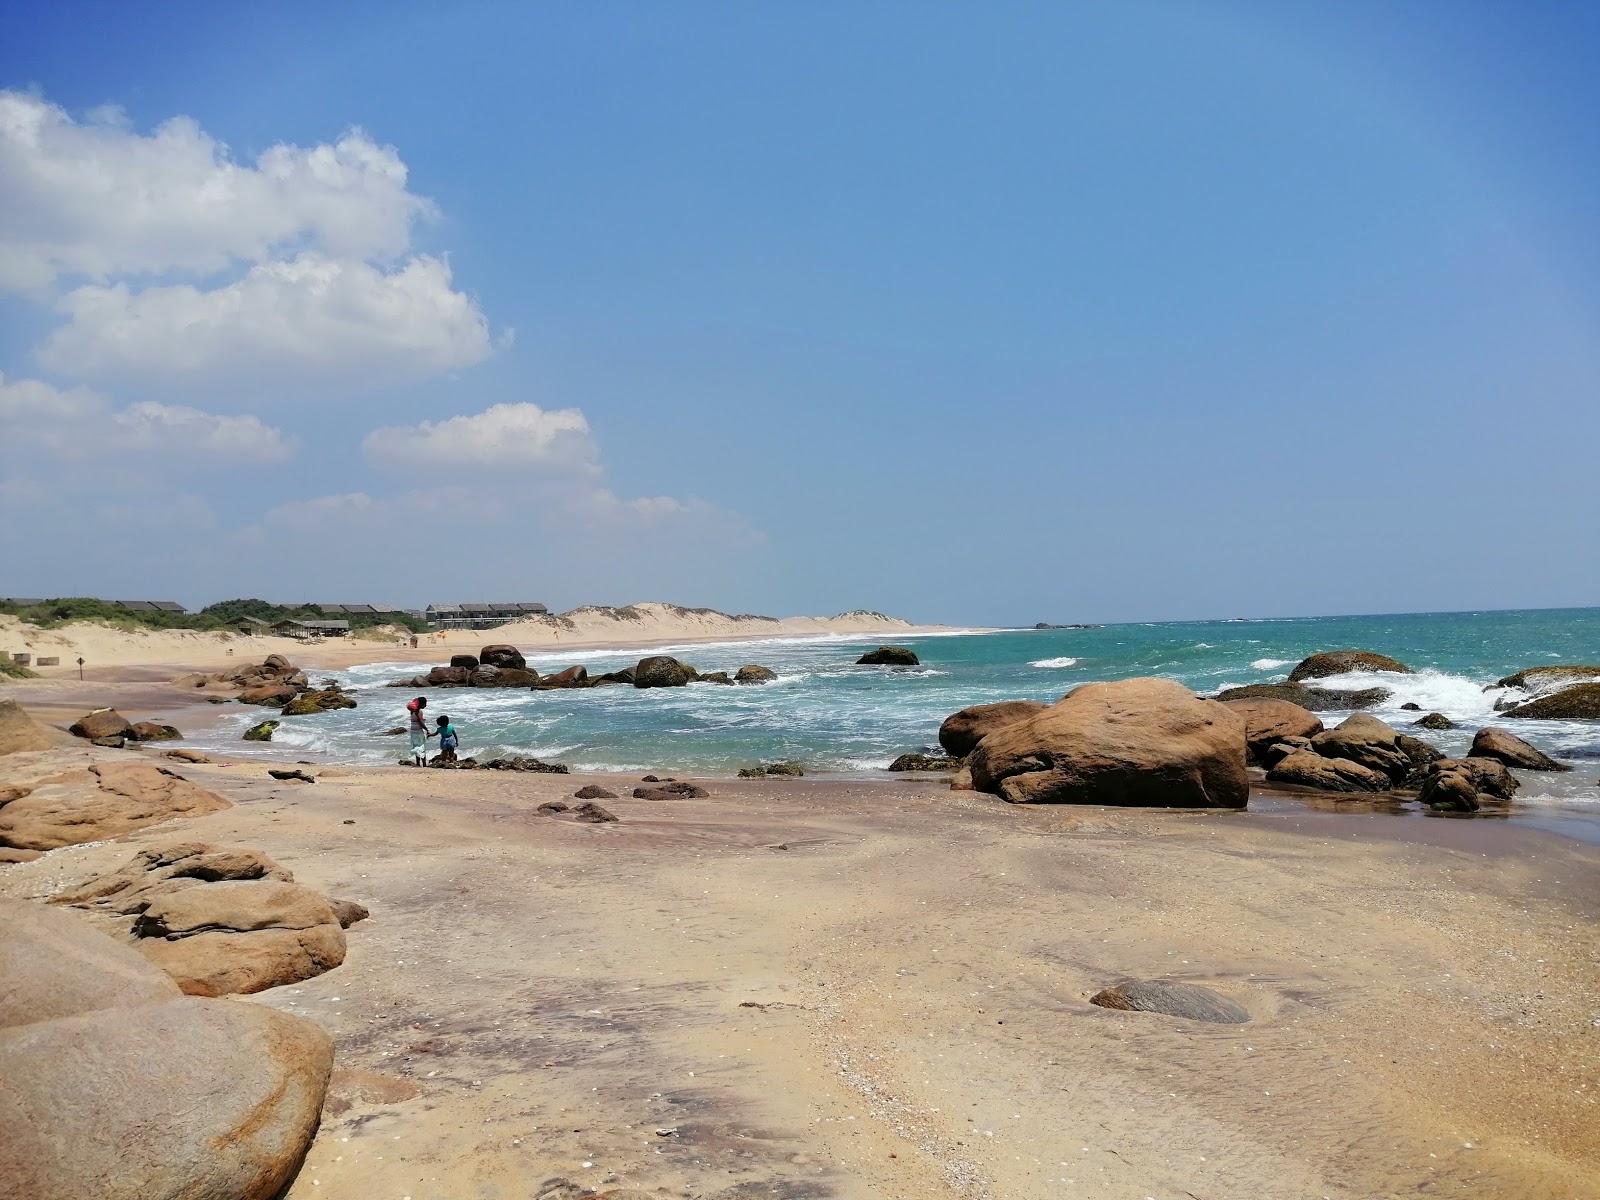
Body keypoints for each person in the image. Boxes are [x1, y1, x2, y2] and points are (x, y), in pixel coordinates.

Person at [406, 696, 429, 766]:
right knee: (422, 747)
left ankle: (418, 763)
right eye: (425, 704)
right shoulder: (419, 712)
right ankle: (424, 764)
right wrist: (427, 730)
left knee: (416, 746)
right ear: (421, 704)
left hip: (413, 731)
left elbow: (415, 721)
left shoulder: (412, 712)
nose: (426, 705)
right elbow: (420, 722)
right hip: (419, 731)